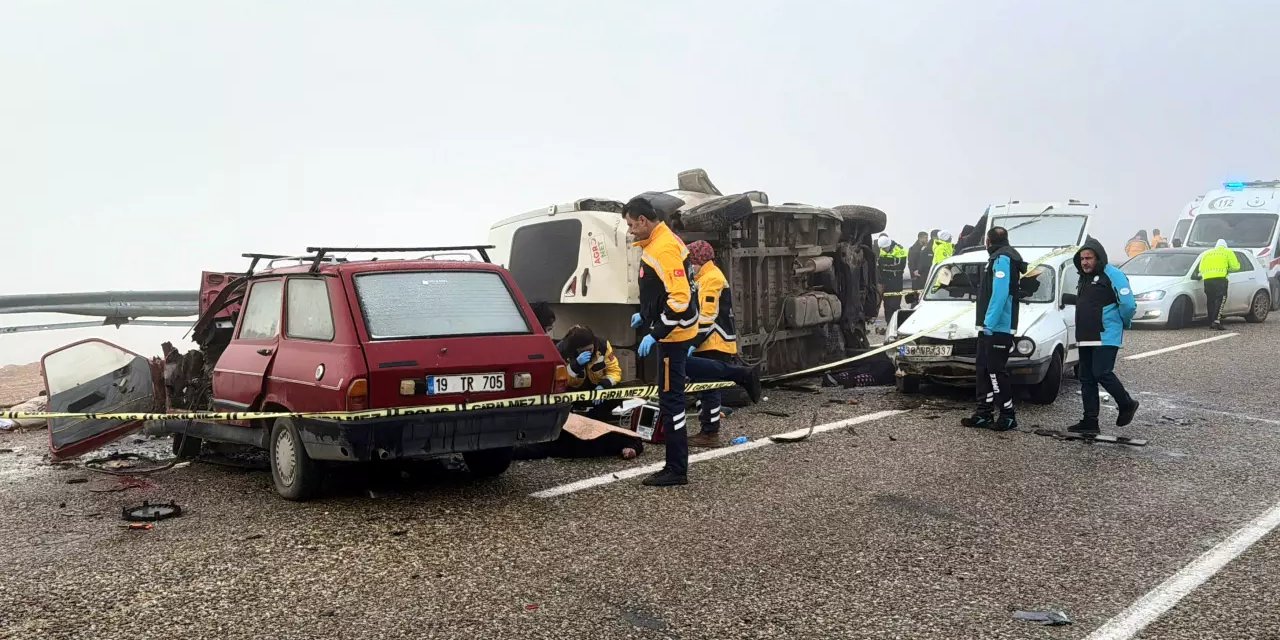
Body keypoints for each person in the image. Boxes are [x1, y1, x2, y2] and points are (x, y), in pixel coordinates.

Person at [624, 195, 699, 487]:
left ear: (644, 220)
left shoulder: (664, 247)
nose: (630, 230)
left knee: (671, 403)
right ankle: (674, 466)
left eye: (631, 224)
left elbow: (680, 298)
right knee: (672, 396)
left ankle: (676, 469)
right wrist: (644, 315)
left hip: (674, 336)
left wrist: (656, 333)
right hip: (673, 331)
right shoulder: (658, 242)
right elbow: (660, 290)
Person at [681, 241, 762, 447]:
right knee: (705, 387)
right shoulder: (703, 278)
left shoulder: (711, 278)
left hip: (714, 340)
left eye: (692, 262)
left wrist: (692, 341)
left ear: (699, 260)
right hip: (709, 340)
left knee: (708, 388)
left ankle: (709, 433)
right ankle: (709, 427)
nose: (689, 266)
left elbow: (708, 316)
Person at [1068, 238, 1139, 434]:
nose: (1085, 262)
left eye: (1089, 258)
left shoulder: (1113, 274)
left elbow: (1128, 304)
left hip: (1105, 334)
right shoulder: (1084, 277)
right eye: (1082, 258)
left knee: (1102, 373)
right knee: (1086, 378)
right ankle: (1090, 421)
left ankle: (1126, 403)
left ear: (1098, 258)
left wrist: (1122, 323)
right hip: (1085, 334)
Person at [962, 227, 1026, 432]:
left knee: (995, 372)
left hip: (998, 328)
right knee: (982, 369)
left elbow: (1000, 294)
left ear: (988, 241)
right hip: (987, 327)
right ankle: (984, 412)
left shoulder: (1003, 259)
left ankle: (1007, 414)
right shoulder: (997, 258)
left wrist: (989, 322)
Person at [556, 325, 623, 420]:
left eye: (590, 349)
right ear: (576, 349)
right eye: (584, 351)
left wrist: (604, 385)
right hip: (574, 392)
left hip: (597, 389)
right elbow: (562, 382)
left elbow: (615, 371)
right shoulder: (562, 351)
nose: (589, 353)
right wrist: (575, 366)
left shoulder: (603, 346)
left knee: (615, 394)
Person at [1200, 239, 1240, 330]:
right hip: (1220, 279)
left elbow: (1200, 268)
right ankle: (1216, 321)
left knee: (1210, 300)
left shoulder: (1207, 253)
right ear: (1225, 246)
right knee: (1221, 299)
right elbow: (1236, 267)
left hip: (1207, 279)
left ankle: (1211, 321)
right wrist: (1227, 269)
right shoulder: (1228, 252)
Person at [877, 236, 909, 321]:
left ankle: (896, 322)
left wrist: (885, 266)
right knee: (887, 306)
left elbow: (900, 266)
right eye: (882, 248)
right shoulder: (880, 250)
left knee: (894, 305)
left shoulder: (900, 250)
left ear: (889, 245)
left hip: (896, 282)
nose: (884, 250)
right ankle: (889, 323)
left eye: (885, 248)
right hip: (885, 282)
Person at [907, 231, 932, 295]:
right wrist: (914, 272)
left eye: (927, 238)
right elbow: (911, 263)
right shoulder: (913, 249)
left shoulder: (927, 249)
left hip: (925, 275)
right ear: (920, 238)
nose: (927, 240)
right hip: (917, 277)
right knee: (916, 294)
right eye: (925, 238)